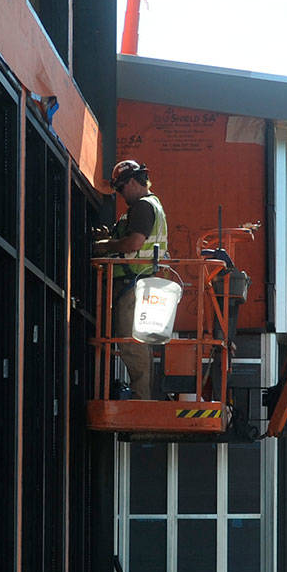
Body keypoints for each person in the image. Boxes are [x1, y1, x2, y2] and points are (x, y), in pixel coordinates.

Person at [91, 159, 168, 400]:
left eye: (121, 188)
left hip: (134, 283)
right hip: (137, 282)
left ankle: (141, 399)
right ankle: (141, 396)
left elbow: (134, 243)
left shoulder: (143, 207)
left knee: (130, 342)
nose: (120, 195)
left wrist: (104, 246)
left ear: (133, 182)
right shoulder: (150, 206)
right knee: (131, 341)